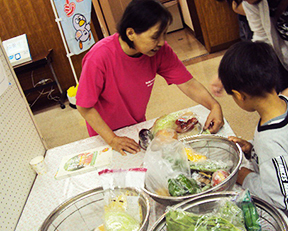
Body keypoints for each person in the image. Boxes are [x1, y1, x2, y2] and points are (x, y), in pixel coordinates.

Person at [76, 0, 224, 156]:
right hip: (105, 134)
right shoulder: (99, 57)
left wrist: (214, 106)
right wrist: (112, 139)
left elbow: (188, 83)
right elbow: (84, 106)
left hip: (136, 126)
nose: (161, 42)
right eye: (155, 37)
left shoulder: (159, 51)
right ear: (130, 33)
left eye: (164, 34)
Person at [218, 40, 288, 211]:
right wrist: (252, 149)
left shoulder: (269, 140)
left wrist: (246, 178)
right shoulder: (284, 103)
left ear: (239, 95)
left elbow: (282, 199)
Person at [210, 0, 288, 97]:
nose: (246, 2)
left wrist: (285, 97)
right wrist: (230, 71)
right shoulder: (250, 3)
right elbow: (262, 39)